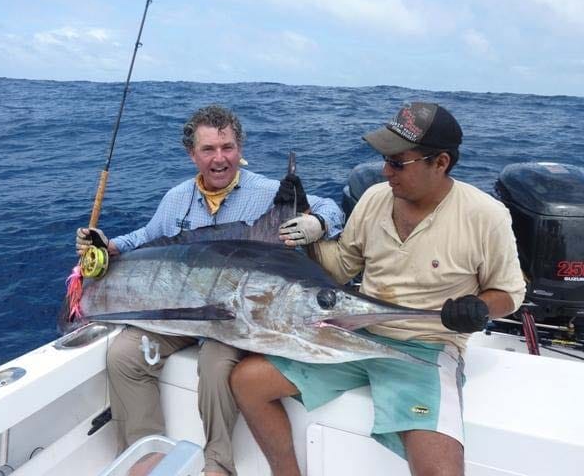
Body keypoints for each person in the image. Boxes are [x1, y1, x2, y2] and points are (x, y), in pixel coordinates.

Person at [230, 102, 527, 476]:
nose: (386, 172)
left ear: (441, 162)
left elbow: (509, 294)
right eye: (385, 160)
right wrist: (308, 226)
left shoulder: (486, 215)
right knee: (247, 381)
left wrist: (479, 308)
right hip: (356, 331)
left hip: (426, 347)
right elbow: (340, 267)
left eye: (398, 163)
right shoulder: (373, 198)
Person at [75, 105, 344, 476]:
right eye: (208, 150)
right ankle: (145, 455)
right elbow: (145, 238)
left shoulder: (264, 191)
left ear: (240, 148)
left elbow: (332, 208)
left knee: (215, 364)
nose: (220, 159)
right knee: (124, 354)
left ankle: (218, 465)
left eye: (228, 148)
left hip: (236, 316)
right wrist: (107, 245)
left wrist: (318, 222)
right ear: (192, 155)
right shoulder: (177, 198)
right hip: (184, 310)